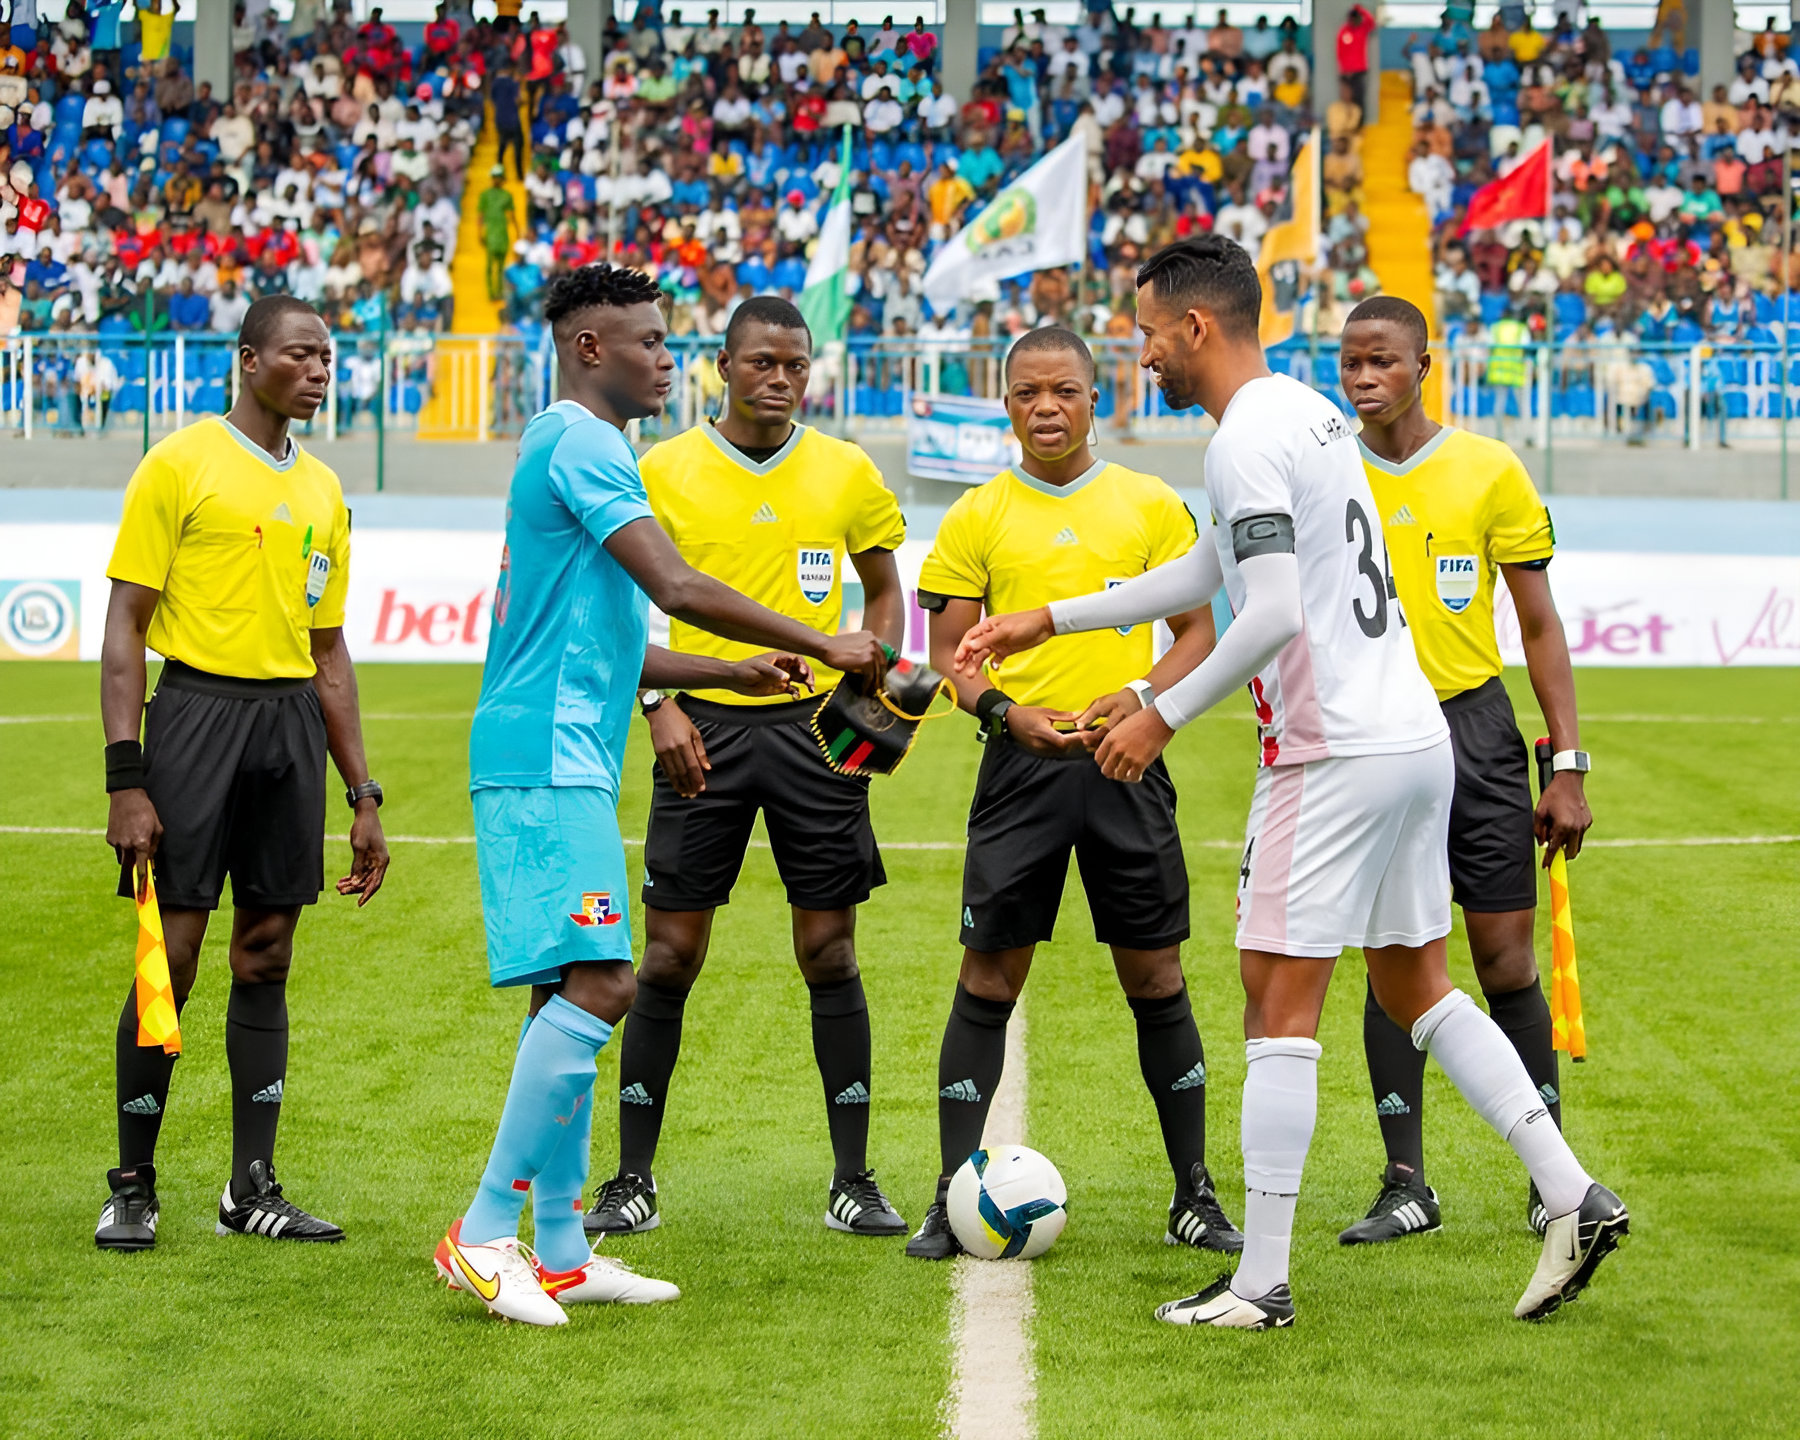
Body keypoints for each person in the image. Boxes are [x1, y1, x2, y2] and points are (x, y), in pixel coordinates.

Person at [956, 236, 1627, 1328]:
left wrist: (1159, 716)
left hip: (1332, 753)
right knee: (1416, 986)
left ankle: (1260, 1282)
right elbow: (1215, 566)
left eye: (1147, 335)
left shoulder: (1246, 439)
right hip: (1412, 737)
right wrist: (1055, 615)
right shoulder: (1304, 414)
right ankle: (1573, 1191)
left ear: (1197, 328)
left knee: (1276, 998)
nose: (1143, 356)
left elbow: (1264, 613)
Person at [434, 265, 890, 1326]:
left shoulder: (579, 443)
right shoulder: (587, 443)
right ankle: (488, 1230)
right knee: (605, 982)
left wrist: (725, 674)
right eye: (648, 341)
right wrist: (821, 638)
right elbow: (676, 588)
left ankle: (559, 1247)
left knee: (573, 989)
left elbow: (615, 635)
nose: (664, 360)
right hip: (548, 757)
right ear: (591, 347)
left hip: (566, 748)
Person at [901, 326, 1243, 1263]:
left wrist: (1140, 698)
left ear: (1098, 399)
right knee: (987, 981)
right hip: (1021, 769)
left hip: (1126, 762)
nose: (1045, 408)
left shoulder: (1148, 503)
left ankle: (1194, 1194)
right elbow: (950, 657)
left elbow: (1195, 633)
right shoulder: (976, 514)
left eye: (1063, 391)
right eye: (1025, 394)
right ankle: (949, 1193)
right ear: (1004, 403)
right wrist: (1005, 712)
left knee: (1158, 980)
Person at [585, 295, 911, 1241]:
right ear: (720, 367)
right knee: (670, 956)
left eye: (796, 365)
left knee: (829, 952)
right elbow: (621, 608)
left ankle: (854, 1178)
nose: (779, 377)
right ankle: (631, 1180)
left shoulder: (847, 471)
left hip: (817, 734)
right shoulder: (663, 468)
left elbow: (884, 589)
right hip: (704, 727)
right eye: (761, 362)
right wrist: (658, 708)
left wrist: (869, 697)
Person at [96, 296, 389, 1252]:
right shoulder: (179, 463)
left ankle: (250, 1186)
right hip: (192, 721)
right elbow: (126, 626)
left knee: (266, 956)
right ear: (248, 358)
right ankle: (133, 1183)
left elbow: (331, 651)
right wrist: (125, 778)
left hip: (289, 727)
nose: (319, 369)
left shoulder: (324, 491)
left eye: (328, 356)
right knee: (167, 961)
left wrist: (363, 793)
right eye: (301, 354)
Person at [1334, 295, 1592, 1242]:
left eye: (1382, 362)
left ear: (1423, 366)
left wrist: (1566, 763)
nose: (1364, 379)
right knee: (1392, 957)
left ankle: (1550, 1176)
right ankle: (1406, 1182)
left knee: (1502, 957)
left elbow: (1538, 625)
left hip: (1473, 729)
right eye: (1350, 363)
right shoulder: (1327, 469)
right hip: (1365, 732)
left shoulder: (1489, 469)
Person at [479, 165, 515, 301]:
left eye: (498, 177)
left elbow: (512, 216)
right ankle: (491, 293)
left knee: (501, 267)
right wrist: (480, 233)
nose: (496, 180)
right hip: (490, 233)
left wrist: (517, 234)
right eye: (494, 177)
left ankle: (499, 292)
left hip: (502, 234)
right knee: (489, 266)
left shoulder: (507, 196)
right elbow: (480, 216)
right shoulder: (485, 195)